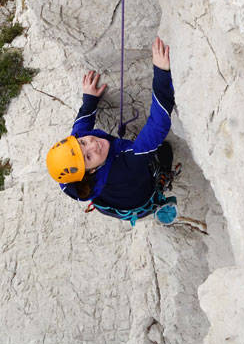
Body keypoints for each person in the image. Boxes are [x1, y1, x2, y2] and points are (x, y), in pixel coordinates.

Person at [46, 37, 175, 221]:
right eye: (88, 157)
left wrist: (89, 100)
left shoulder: (78, 154)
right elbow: (158, 126)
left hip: (109, 200)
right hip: (138, 200)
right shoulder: (126, 166)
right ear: (91, 171)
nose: (92, 144)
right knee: (164, 152)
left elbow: (80, 125)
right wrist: (162, 72)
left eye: (82, 142)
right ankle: (162, 177)